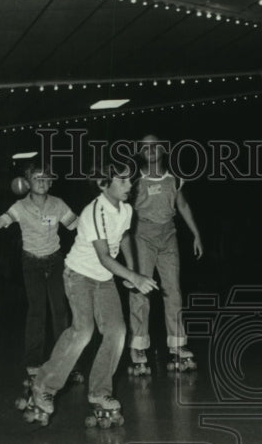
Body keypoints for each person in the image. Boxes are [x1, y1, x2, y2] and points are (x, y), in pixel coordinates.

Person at [23, 163, 158, 426]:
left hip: (105, 279)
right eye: (123, 181)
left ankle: (99, 393)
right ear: (104, 184)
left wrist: (131, 269)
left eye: (130, 181)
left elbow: (125, 237)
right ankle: (43, 386)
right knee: (83, 330)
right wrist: (133, 277)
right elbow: (105, 257)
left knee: (117, 332)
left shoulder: (127, 209)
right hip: (79, 275)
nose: (130, 186)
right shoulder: (94, 212)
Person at [0, 163, 78, 380]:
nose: (41, 181)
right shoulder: (20, 207)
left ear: (51, 181)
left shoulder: (58, 204)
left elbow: (77, 226)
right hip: (31, 263)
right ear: (28, 182)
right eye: (36, 178)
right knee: (36, 311)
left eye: (45, 178)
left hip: (56, 260)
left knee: (60, 311)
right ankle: (33, 362)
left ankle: (66, 362)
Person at [128, 134, 204, 375]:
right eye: (145, 147)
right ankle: (138, 347)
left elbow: (182, 206)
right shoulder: (134, 180)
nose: (150, 149)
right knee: (141, 290)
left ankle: (178, 344)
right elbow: (124, 210)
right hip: (142, 235)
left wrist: (196, 234)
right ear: (140, 152)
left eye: (154, 145)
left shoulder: (175, 178)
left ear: (162, 150)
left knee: (173, 290)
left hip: (168, 236)